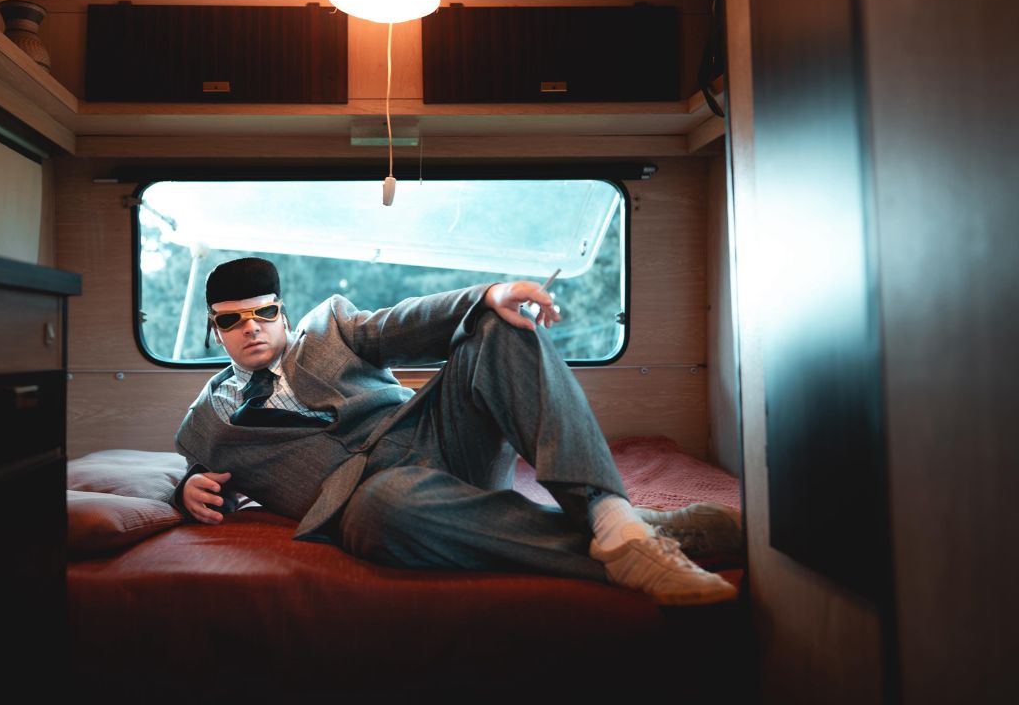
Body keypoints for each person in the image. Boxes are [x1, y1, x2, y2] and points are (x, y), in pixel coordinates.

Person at [173, 257, 741, 605]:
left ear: (282, 312)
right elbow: (195, 480)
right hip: (373, 500)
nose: (252, 328)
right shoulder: (207, 422)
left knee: (497, 325)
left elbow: (397, 323)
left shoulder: (330, 329)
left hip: (437, 436)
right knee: (383, 507)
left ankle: (610, 516)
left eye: (264, 312)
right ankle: (644, 541)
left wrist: (485, 296)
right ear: (214, 329)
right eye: (232, 319)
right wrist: (186, 490)